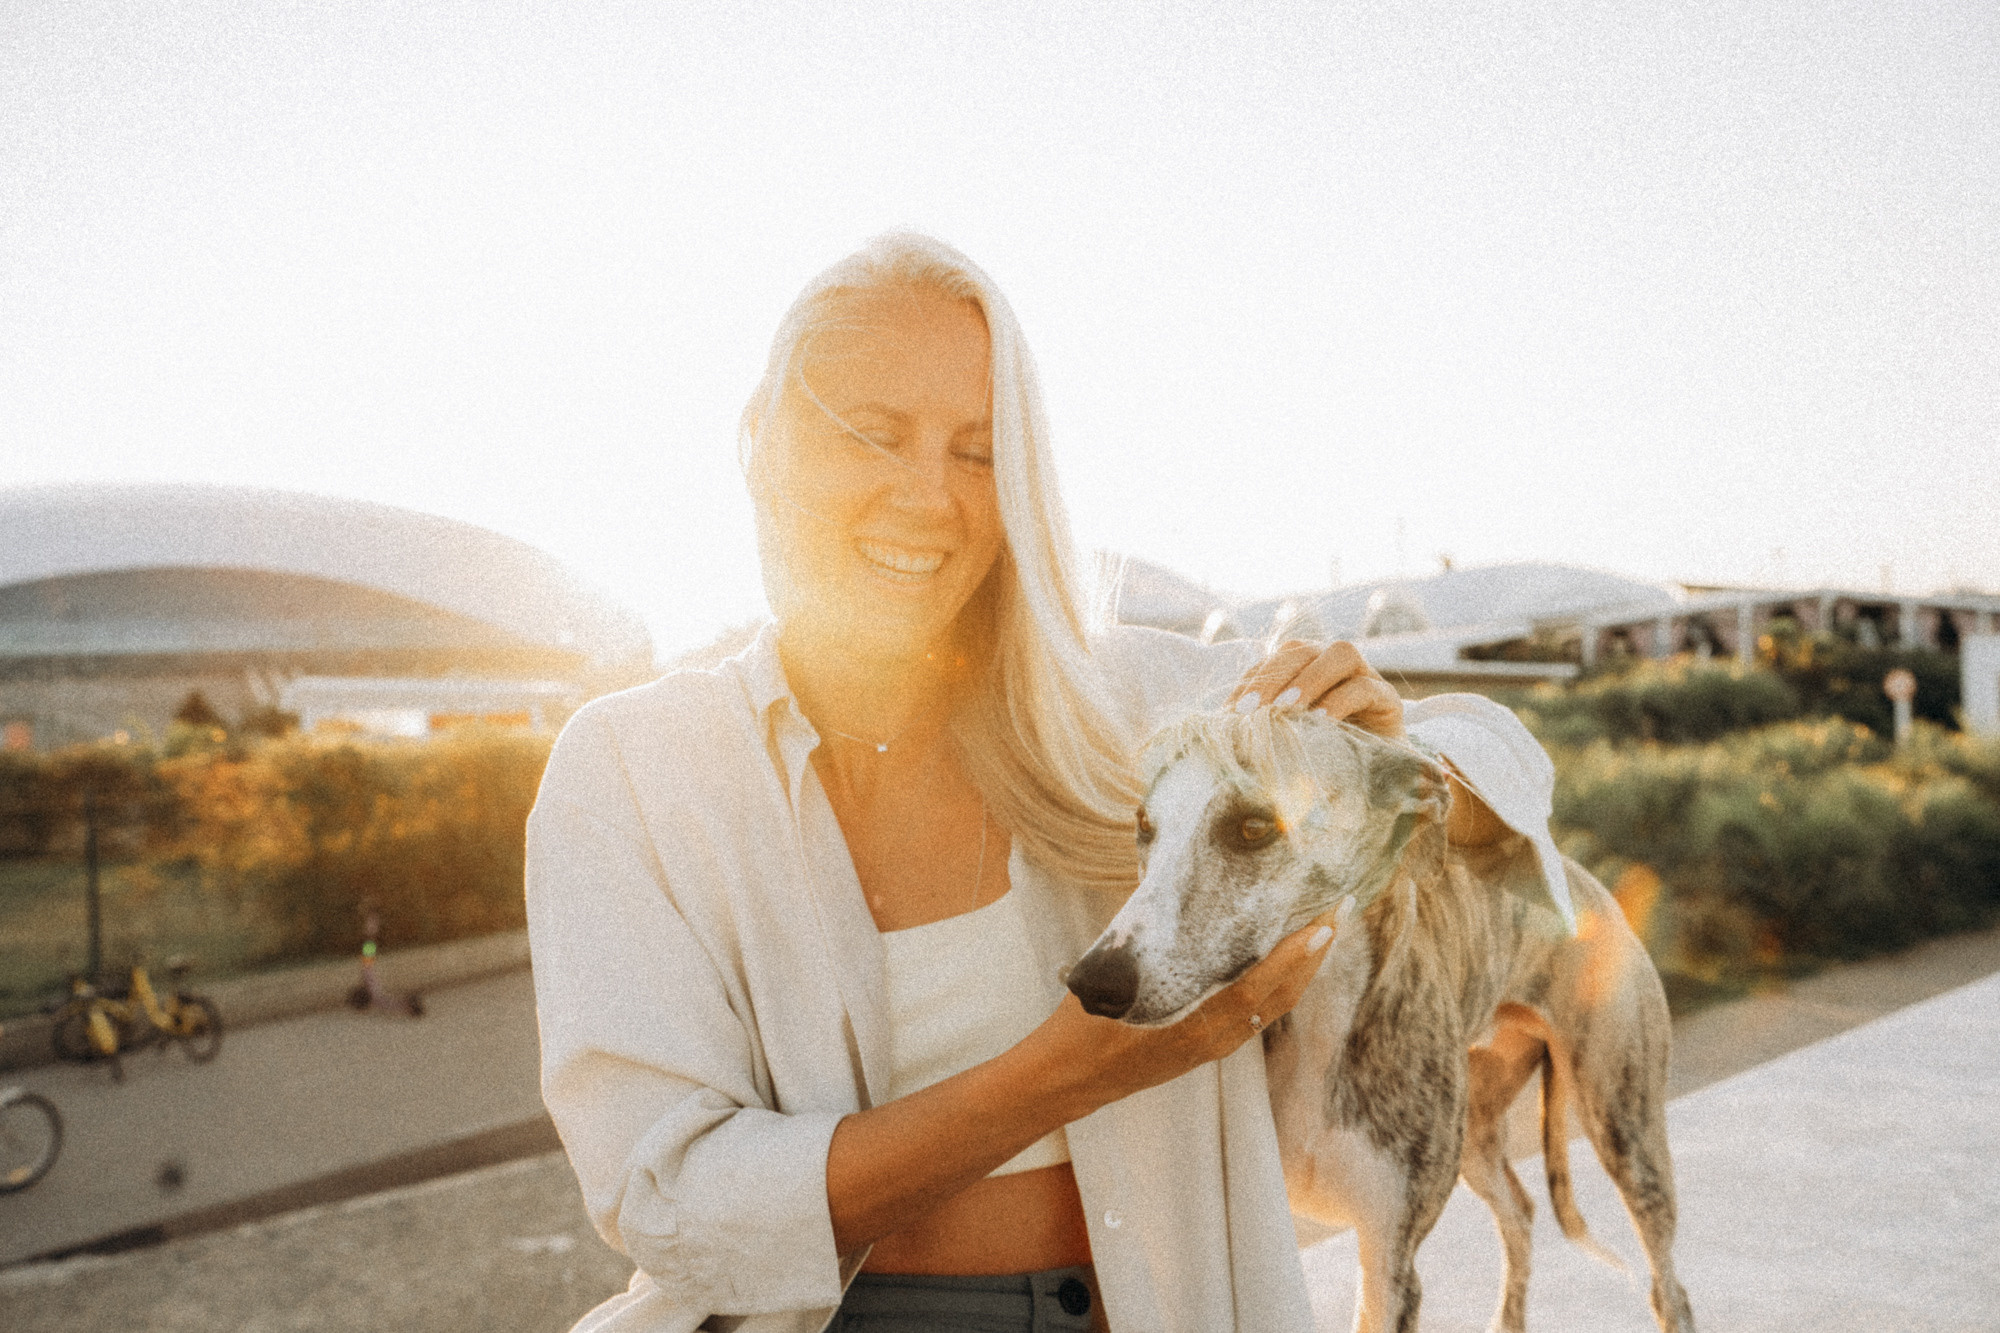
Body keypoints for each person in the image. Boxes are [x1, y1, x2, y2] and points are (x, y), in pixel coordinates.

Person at [526, 234, 1524, 1333]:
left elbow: (1496, 755)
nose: (927, 496)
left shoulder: (1149, 707)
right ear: (756, 443)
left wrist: (1388, 752)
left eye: (976, 450)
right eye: (871, 433)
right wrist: (1067, 1071)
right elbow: (671, 1203)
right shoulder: (626, 767)